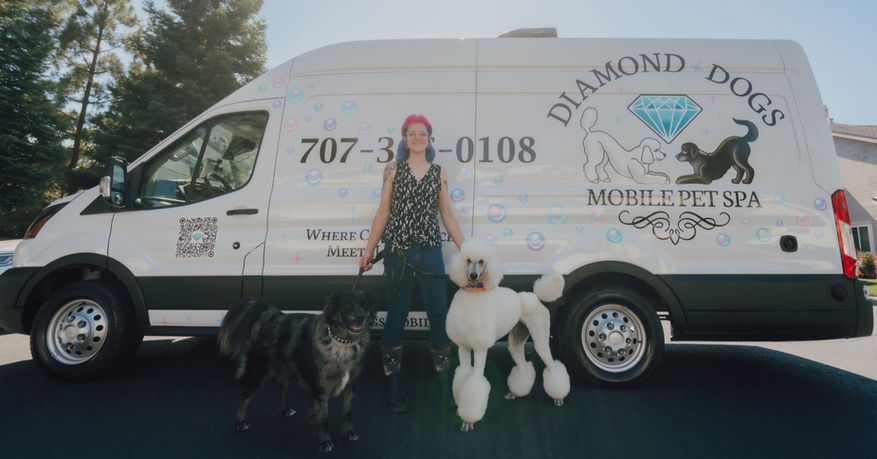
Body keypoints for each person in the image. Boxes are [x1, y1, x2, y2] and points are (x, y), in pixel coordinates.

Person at [359, 114, 464, 412]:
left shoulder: (439, 172)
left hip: (430, 251)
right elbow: (383, 213)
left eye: (422, 133)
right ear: (404, 139)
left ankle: (443, 384)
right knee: (396, 314)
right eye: (412, 133)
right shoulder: (392, 170)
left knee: (438, 314)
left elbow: (448, 216)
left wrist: (467, 251)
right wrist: (369, 251)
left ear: (430, 138)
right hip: (398, 253)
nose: (417, 137)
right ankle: (392, 386)